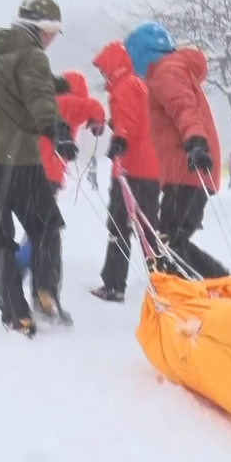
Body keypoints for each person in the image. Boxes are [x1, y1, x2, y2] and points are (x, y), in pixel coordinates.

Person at [0, 0, 80, 336]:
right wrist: (57, 131)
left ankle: (16, 314)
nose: (52, 39)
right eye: (52, 31)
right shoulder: (32, 55)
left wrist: (51, 83)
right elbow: (36, 95)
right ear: (40, 29)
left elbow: (8, 88)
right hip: (15, 159)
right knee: (45, 225)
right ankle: (45, 290)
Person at [123, 21, 229, 280]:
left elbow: (185, 109)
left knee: (170, 244)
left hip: (188, 170)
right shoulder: (170, 69)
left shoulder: (165, 71)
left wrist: (195, 141)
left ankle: (223, 282)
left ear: (141, 53)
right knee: (170, 242)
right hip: (182, 172)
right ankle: (198, 291)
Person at [89, 40, 161, 304]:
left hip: (131, 169)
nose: (102, 74)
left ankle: (114, 285)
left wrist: (119, 139)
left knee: (118, 227)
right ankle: (166, 283)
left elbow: (129, 121)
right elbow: (138, 119)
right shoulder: (137, 84)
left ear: (112, 65)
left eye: (103, 69)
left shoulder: (123, 87)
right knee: (150, 231)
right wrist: (115, 125)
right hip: (150, 168)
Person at [39, 70, 105, 195]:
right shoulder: (69, 103)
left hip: (34, 166)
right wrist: (98, 123)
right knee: (44, 212)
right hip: (50, 169)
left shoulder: (48, 102)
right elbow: (94, 107)